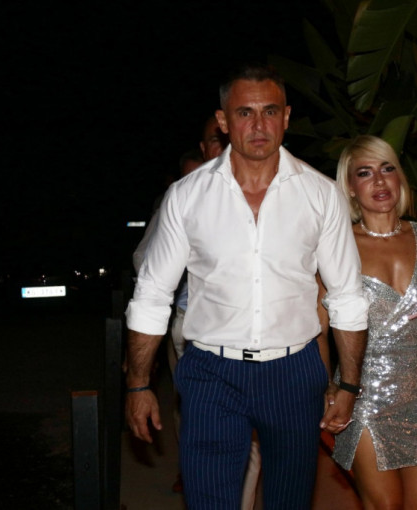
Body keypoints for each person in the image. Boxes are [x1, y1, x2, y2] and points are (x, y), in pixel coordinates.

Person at [124, 64, 368, 510]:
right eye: (245, 113)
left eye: (270, 111)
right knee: (208, 500)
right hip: (210, 373)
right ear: (223, 121)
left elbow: (346, 296)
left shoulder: (320, 194)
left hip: (294, 373)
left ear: (286, 117)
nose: (259, 125)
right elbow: (152, 295)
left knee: (289, 500)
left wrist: (349, 385)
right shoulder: (188, 196)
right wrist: (138, 385)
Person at [331, 134, 417, 510]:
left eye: (387, 169)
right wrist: (330, 386)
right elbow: (318, 324)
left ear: (399, 178)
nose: (379, 180)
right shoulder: (338, 245)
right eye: (365, 173)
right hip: (364, 396)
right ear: (350, 188)